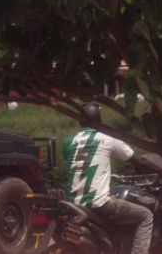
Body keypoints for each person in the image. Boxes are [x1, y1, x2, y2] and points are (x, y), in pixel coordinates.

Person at [63, 102, 153, 254]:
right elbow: (140, 161)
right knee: (146, 216)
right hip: (99, 204)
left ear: (80, 121)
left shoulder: (68, 142)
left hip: (74, 204)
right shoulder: (108, 138)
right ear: (99, 122)